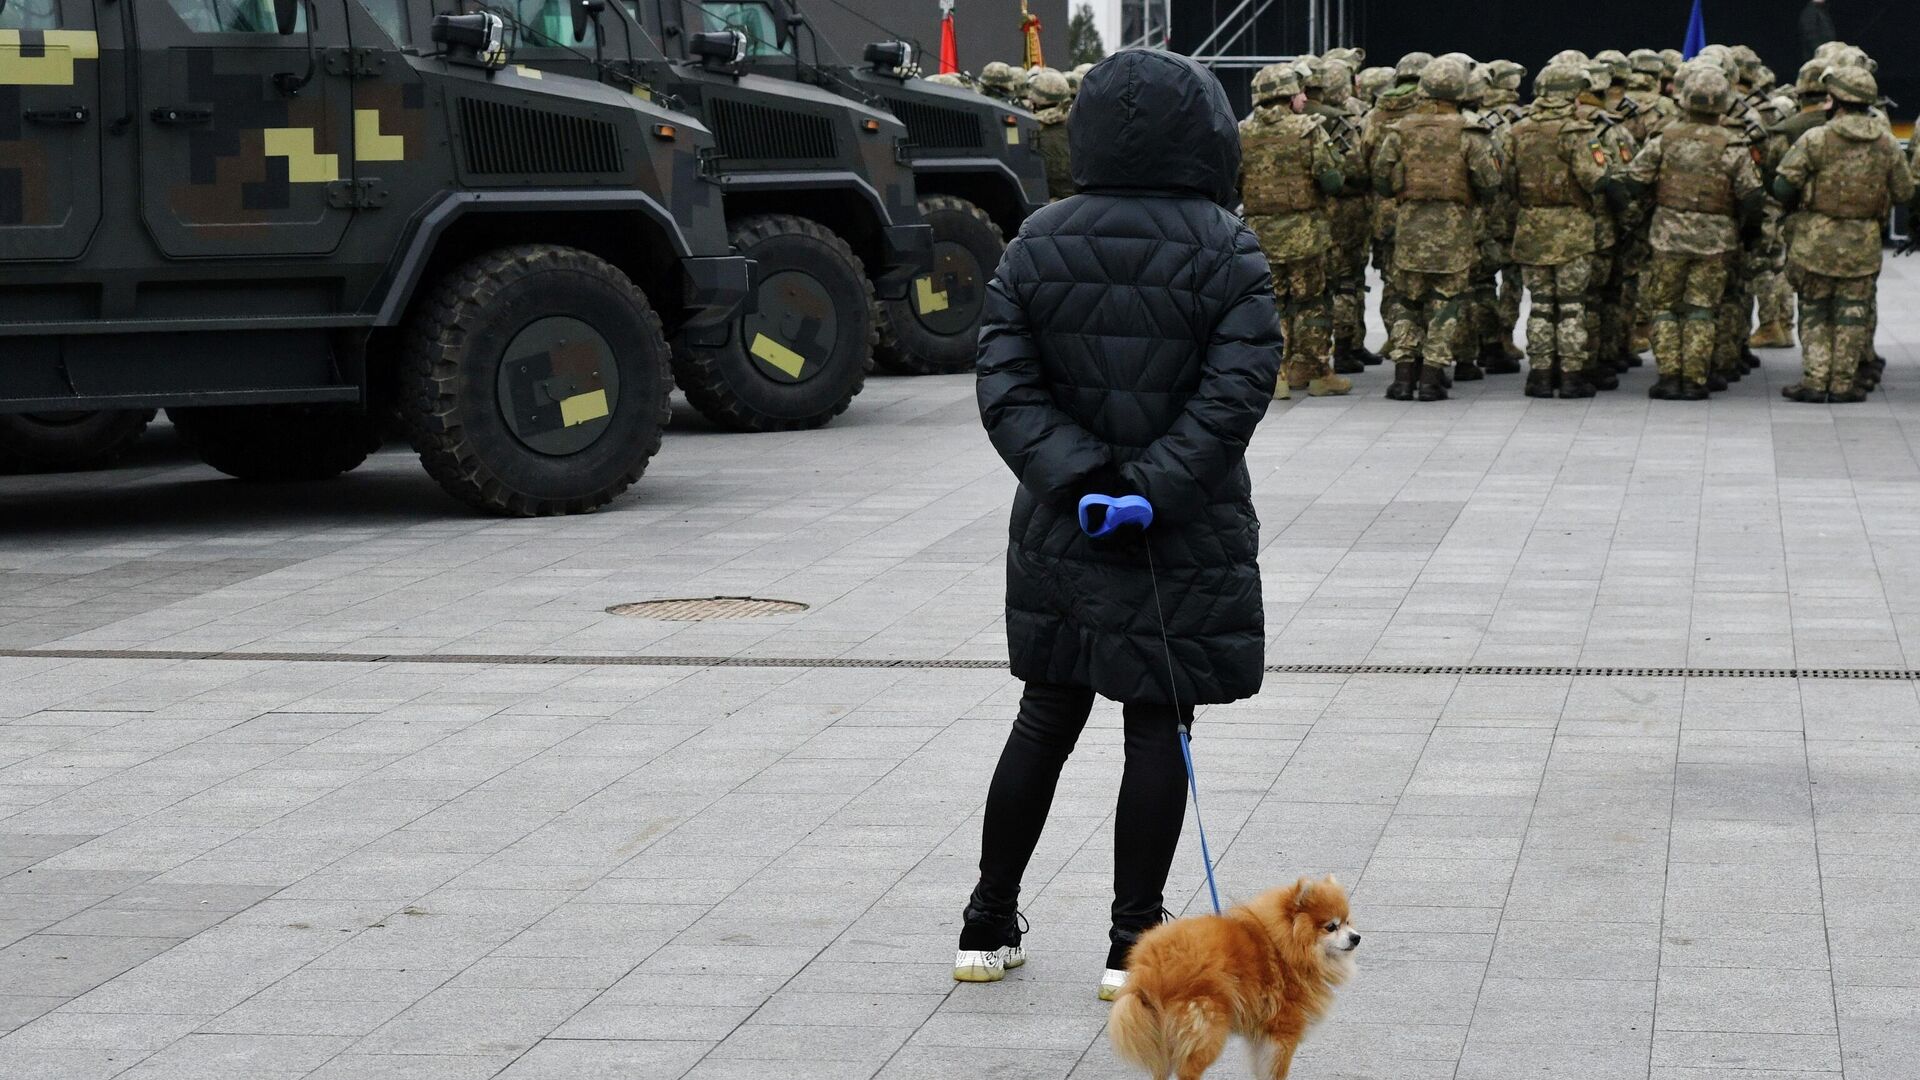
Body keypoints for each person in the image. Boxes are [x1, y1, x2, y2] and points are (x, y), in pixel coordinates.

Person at [963, 48, 1280, 1002]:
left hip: (1062, 526)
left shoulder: (1036, 240)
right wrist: (1150, 486)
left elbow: (1004, 386)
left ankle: (987, 921)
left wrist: (1079, 479)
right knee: (1155, 722)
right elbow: (1237, 390)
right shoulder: (1228, 246)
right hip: (1176, 527)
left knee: (1046, 716)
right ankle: (1129, 942)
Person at [1620, 65, 1763, 400]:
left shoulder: (1665, 139)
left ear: (1684, 100)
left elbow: (1633, 181)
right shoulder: (1733, 145)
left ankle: (1669, 377)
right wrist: (1749, 232)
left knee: (1666, 306)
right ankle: (1695, 378)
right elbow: (1752, 196)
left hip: (1667, 236)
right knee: (1702, 308)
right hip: (1716, 240)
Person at [1774, 65, 1913, 402]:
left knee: (1815, 309)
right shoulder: (1887, 143)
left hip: (1815, 239)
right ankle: (1843, 384)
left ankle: (1815, 381)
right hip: (1862, 239)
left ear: (1833, 99)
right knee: (1852, 311)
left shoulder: (1816, 138)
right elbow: (1905, 192)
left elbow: (1782, 186)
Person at [1372, 56, 1503, 401]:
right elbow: (1489, 183)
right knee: (1446, 303)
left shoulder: (1401, 131)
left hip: (1410, 230)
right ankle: (1431, 377)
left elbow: (1381, 180)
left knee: (1406, 302)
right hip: (1453, 233)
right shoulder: (1469, 132)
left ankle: (1402, 377)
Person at [1242, 63, 1347, 397]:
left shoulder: (1242, 132)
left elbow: (1230, 182)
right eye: (1299, 91)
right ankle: (1317, 373)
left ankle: (1278, 375)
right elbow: (1332, 180)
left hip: (1260, 234)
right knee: (1312, 302)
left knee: (1273, 304)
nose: (1304, 97)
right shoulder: (1309, 129)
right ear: (1287, 96)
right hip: (1305, 234)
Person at [1508, 62, 1609, 398]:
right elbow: (1595, 179)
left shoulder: (1518, 131)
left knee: (1539, 305)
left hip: (1531, 226)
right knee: (1570, 306)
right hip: (1572, 230)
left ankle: (1538, 375)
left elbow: (1504, 180)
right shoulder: (1577, 133)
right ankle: (1570, 377)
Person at [1029, 68, 1077, 202]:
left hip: (1045, 207)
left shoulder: (1030, 129)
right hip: (1079, 203)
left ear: (1035, 100)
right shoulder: (1079, 124)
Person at [1800, 0, 1836, 64]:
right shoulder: (1810, 12)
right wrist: (1824, 52)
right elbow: (1811, 36)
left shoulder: (1822, 11)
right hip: (1817, 58)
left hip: (1826, 55)